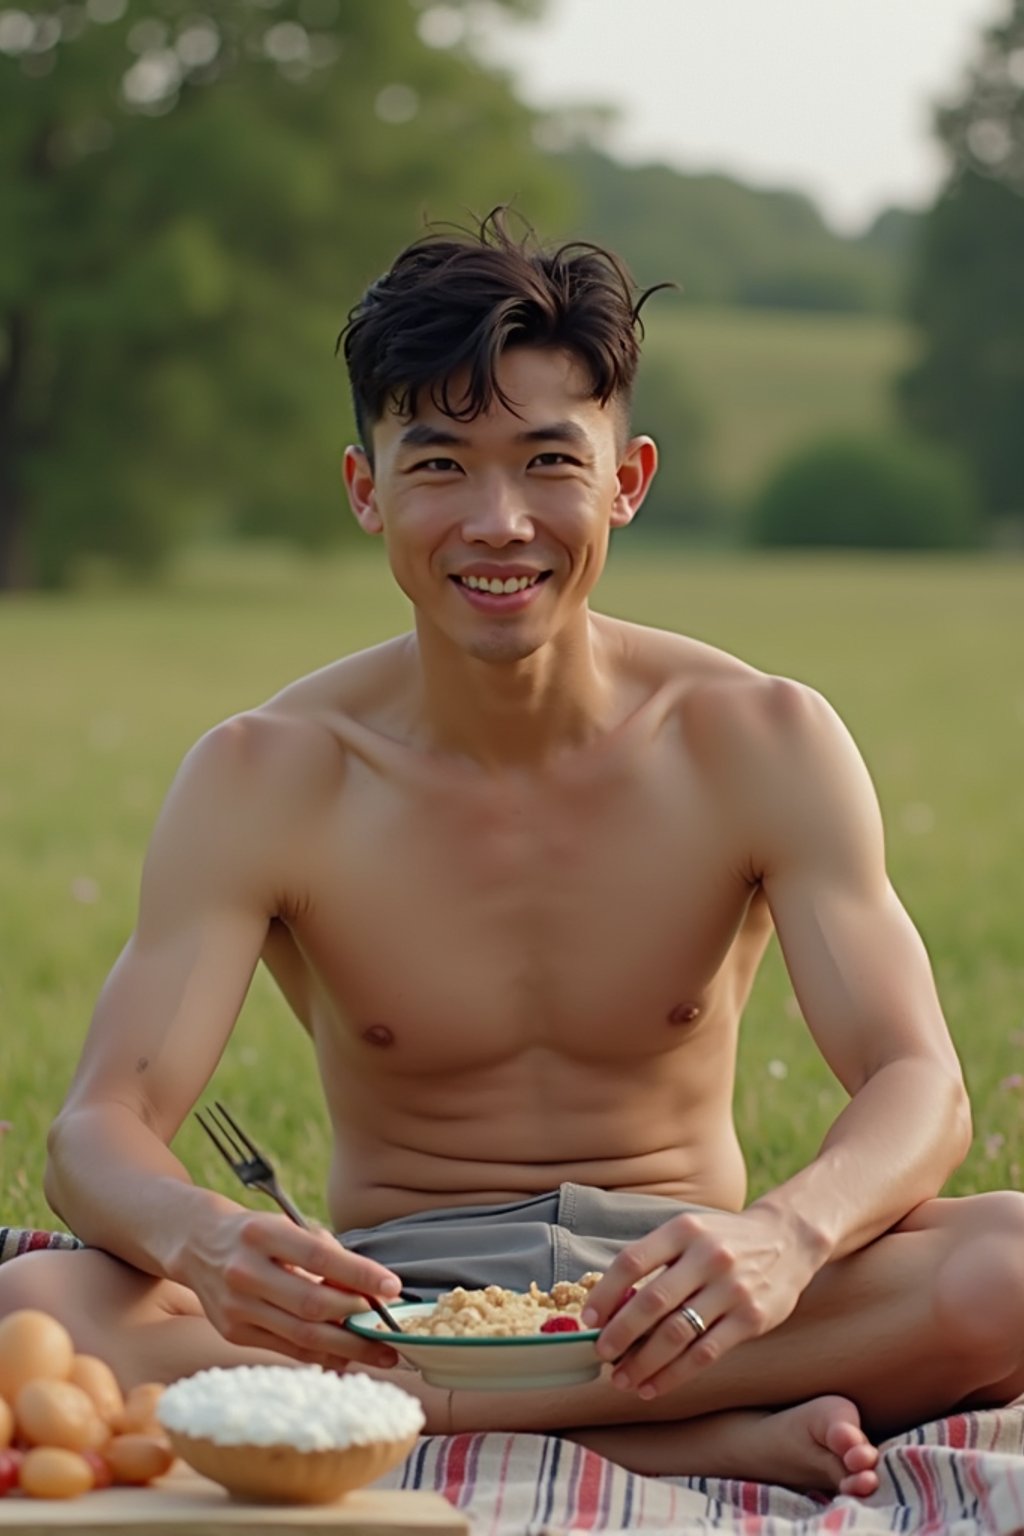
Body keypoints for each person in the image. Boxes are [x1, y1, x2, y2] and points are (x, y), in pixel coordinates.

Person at [2, 210, 1022, 1499]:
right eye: (439, 467)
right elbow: (101, 1126)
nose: (499, 522)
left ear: (626, 481)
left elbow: (918, 1082)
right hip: (390, 1312)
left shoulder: (760, 738)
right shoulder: (265, 773)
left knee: (1011, 1269)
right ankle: (678, 1447)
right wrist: (204, 1239)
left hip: (681, 1306)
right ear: (367, 490)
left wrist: (785, 1234)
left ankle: (450, 1437)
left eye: (549, 461)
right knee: (39, 1301)